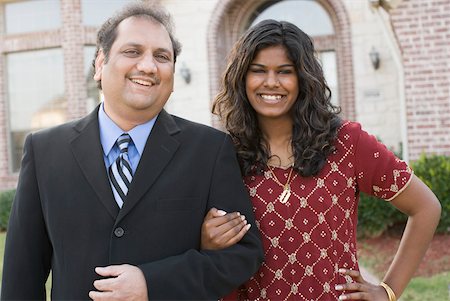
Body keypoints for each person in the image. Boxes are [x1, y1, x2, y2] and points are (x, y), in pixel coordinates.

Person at [1, 2, 263, 300]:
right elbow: (20, 276)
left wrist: (152, 284)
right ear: (100, 64)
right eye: (132, 51)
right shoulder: (44, 151)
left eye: (162, 57)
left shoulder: (210, 149)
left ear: (173, 75)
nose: (148, 66)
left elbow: (244, 254)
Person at [201, 19, 441, 301]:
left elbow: (426, 207)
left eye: (284, 71)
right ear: (242, 78)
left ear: (303, 78)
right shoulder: (222, 154)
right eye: (258, 71)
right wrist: (207, 242)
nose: (271, 82)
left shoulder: (346, 143)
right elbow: (202, 250)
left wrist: (388, 290)